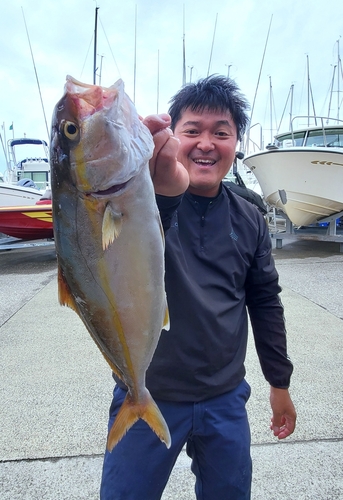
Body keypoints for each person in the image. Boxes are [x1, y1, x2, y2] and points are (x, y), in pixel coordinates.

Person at [100, 75, 296, 500]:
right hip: (149, 390)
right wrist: (162, 190)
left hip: (224, 398)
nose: (206, 143)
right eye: (192, 131)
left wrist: (279, 383)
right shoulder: (141, 201)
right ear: (173, 136)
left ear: (236, 144)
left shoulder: (249, 217)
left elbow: (265, 302)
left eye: (221, 132)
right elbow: (127, 243)